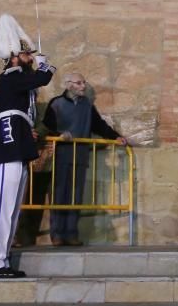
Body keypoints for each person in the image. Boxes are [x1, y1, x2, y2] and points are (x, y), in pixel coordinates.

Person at [0, 14, 56, 279]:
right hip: (7, 149)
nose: (29, 57)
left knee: (12, 209)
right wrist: (44, 65)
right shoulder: (9, 76)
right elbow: (41, 79)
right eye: (25, 54)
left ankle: (2, 260)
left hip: (18, 147)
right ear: (14, 56)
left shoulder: (19, 80)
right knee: (2, 207)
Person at [42, 72, 125, 246]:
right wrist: (58, 134)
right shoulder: (56, 104)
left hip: (80, 156)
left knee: (76, 196)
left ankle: (71, 233)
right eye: (79, 83)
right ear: (68, 85)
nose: (83, 86)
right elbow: (47, 126)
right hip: (61, 156)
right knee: (59, 195)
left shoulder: (87, 105)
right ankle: (57, 234)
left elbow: (99, 124)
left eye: (83, 83)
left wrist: (115, 136)